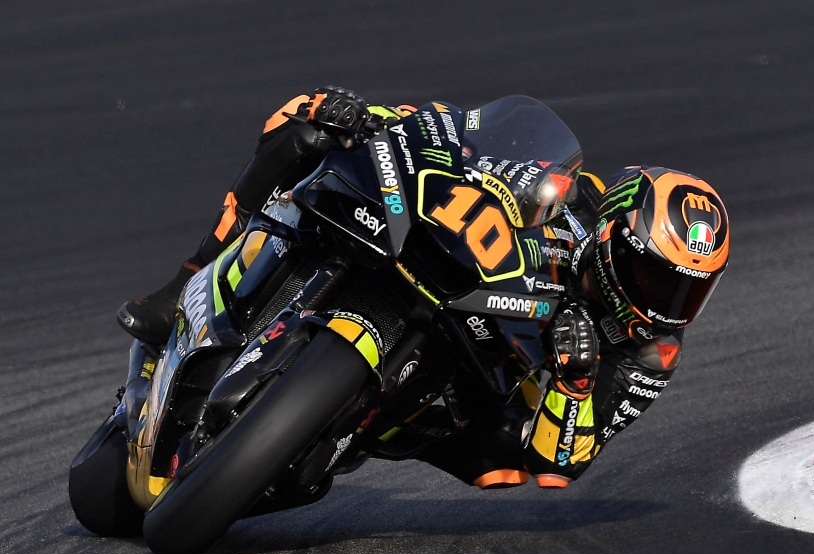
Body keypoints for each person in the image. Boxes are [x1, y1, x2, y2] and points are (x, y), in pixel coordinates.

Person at [117, 87, 730, 489]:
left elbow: (561, 464)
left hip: (483, 383)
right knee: (307, 121)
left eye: (686, 293)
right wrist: (373, 119)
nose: (664, 303)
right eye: (655, 275)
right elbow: (462, 135)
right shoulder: (578, 196)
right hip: (454, 273)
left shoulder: (652, 352)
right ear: (615, 234)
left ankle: (353, 425)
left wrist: (572, 381)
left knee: (504, 462)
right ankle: (188, 281)